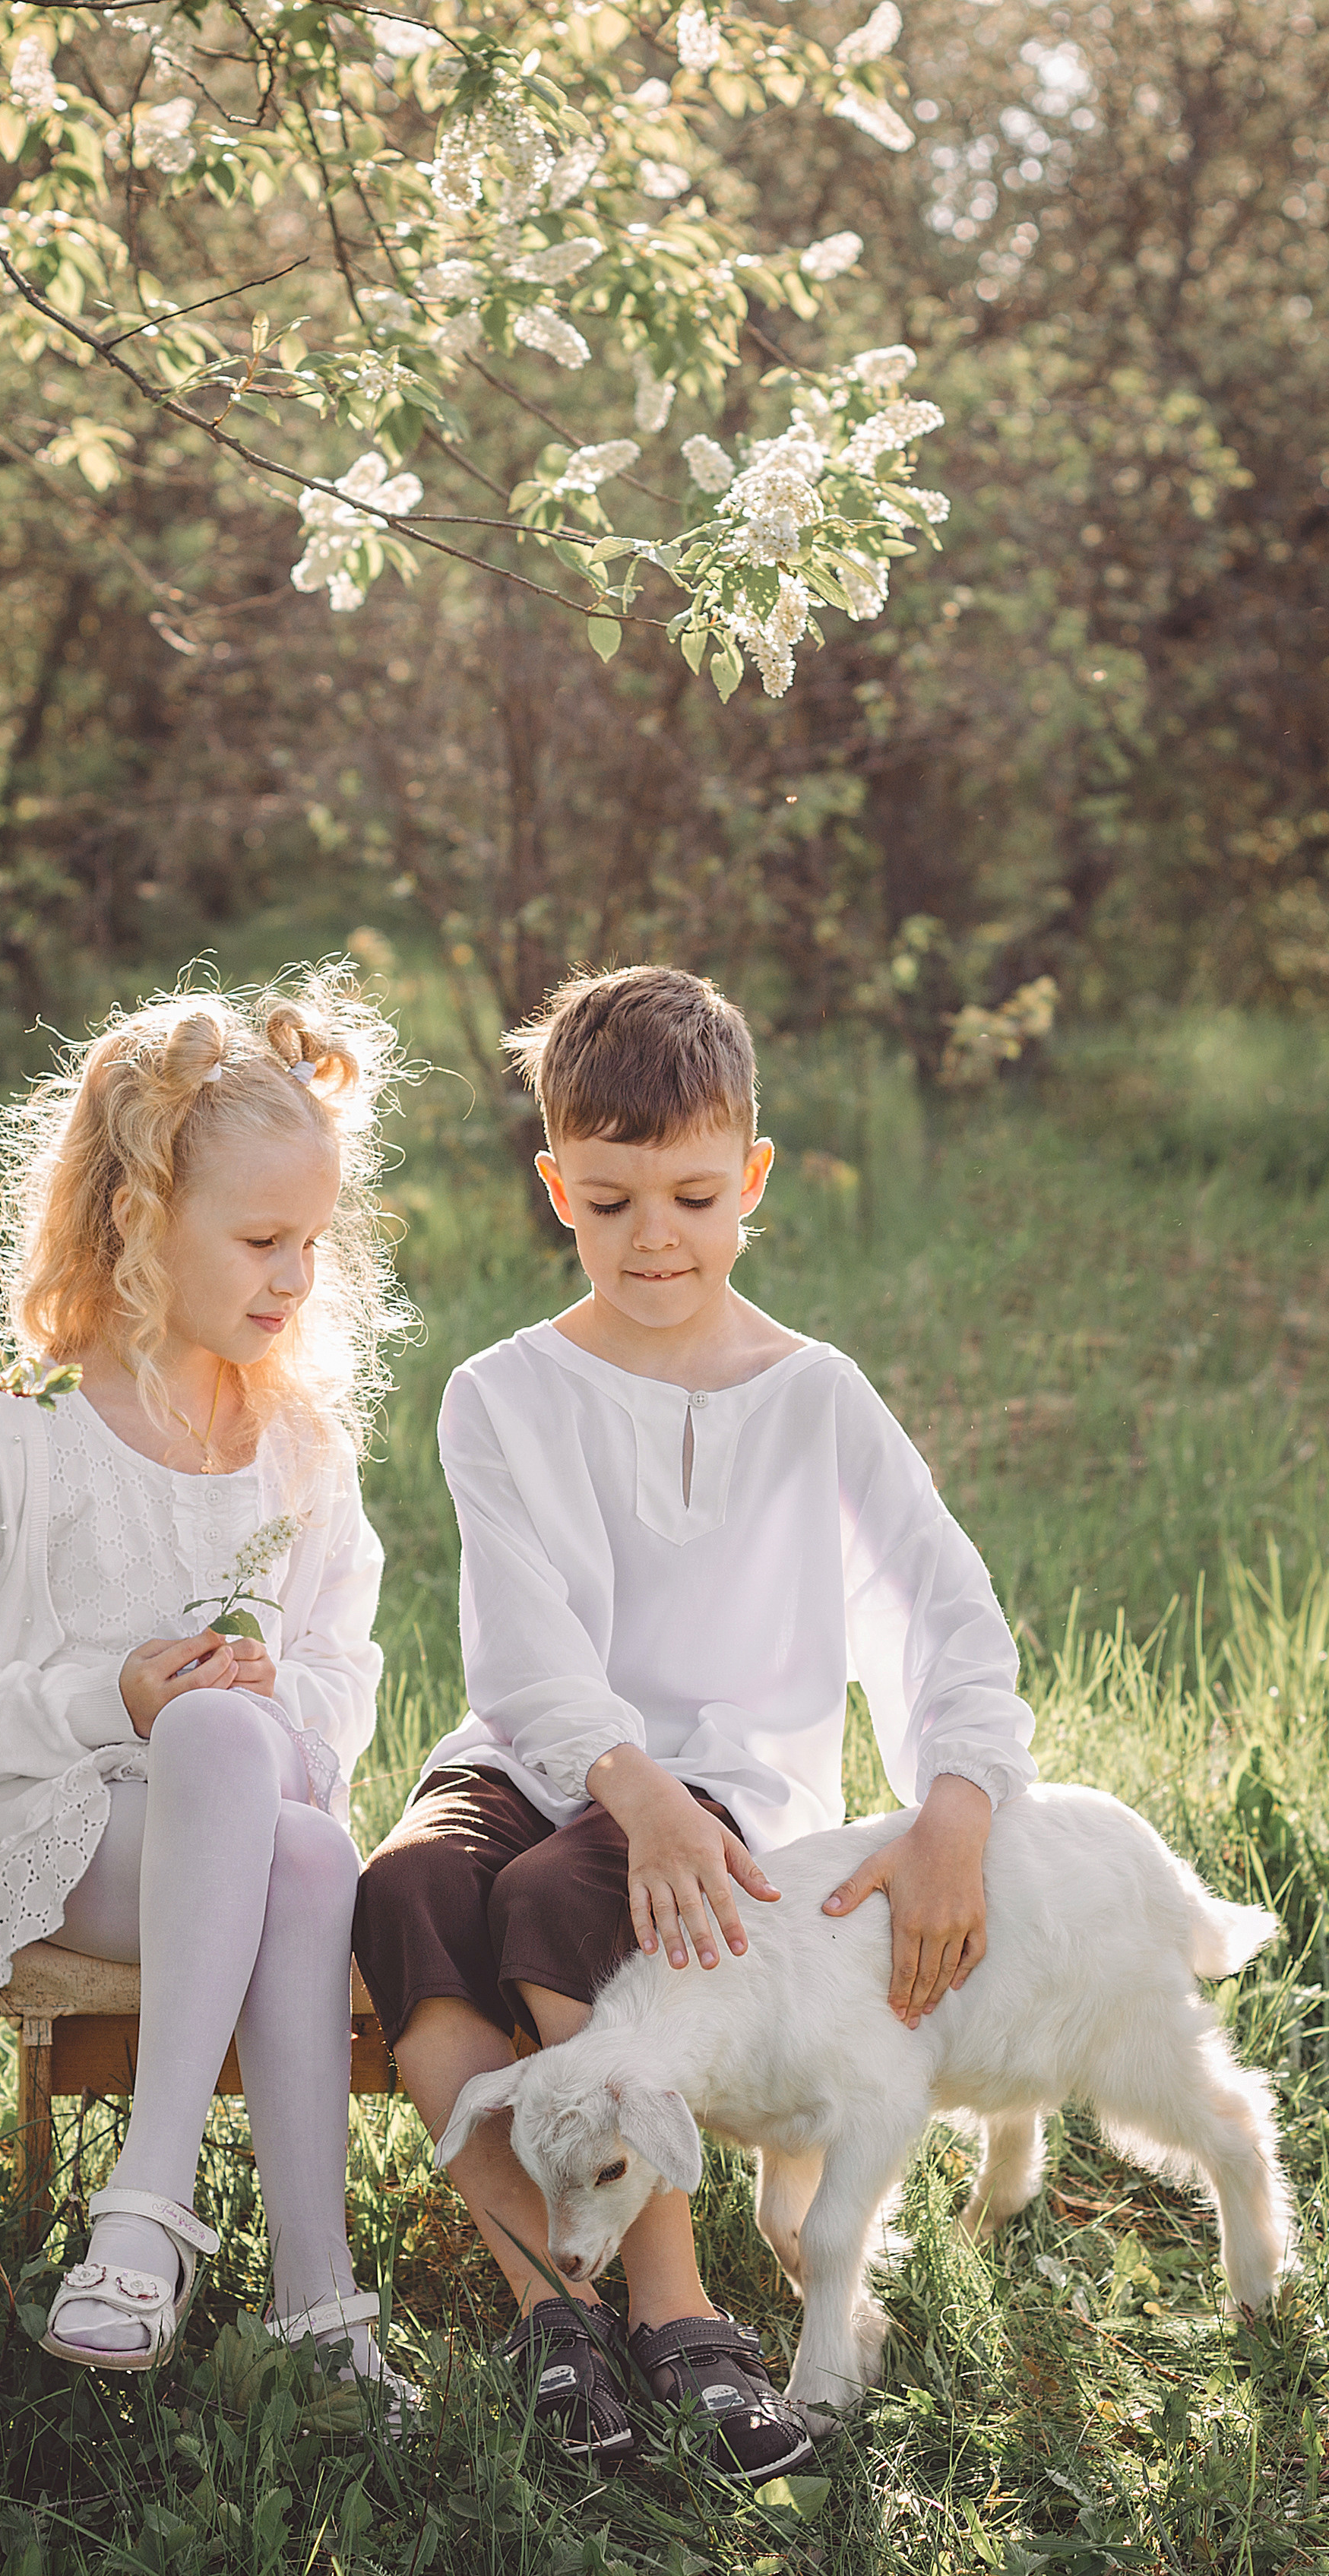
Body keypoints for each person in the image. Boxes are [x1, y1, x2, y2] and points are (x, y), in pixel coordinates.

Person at [353, 965, 1040, 2478]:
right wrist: (623, 1781)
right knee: (406, 1881)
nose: (649, 1236)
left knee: (554, 1894)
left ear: (750, 1177)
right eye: (606, 1202)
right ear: (554, 1187)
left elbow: (944, 1607)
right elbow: (524, 1648)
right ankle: (555, 2308)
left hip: (726, 1788)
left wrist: (957, 1801)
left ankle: (676, 2314)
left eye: (685, 1193)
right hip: (545, 1754)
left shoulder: (817, 1398)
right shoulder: (500, 1392)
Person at [0, 973, 416, 2404]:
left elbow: (345, 1670)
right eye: (264, 1240)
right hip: (50, 1835)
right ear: (143, 1223)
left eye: (316, 1245)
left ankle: (238, 2263)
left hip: (241, 1825)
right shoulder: (6, 1444)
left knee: (290, 1810)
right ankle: (231, 2250)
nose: (297, 1279)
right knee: (246, 1777)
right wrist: (109, 1699)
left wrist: (280, 1706)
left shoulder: (299, 1452)